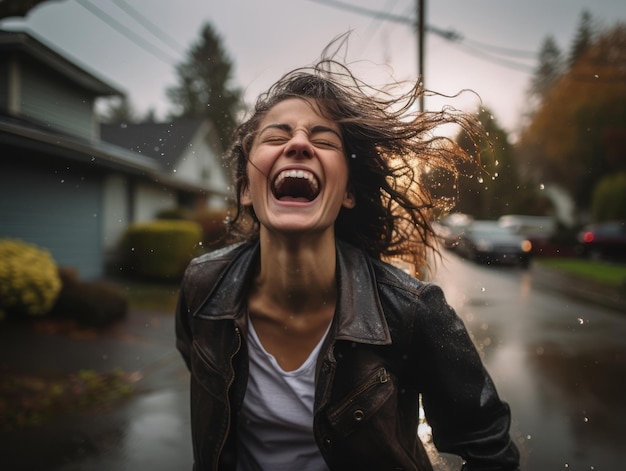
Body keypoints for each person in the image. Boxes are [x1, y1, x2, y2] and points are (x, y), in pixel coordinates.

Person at [175, 38, 521, 471]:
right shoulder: (202, 289)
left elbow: (490, 449)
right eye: (276, 135)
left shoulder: (412, 313)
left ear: (349, 192)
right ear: (246, 188)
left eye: (323, 139)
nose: (298, 145)